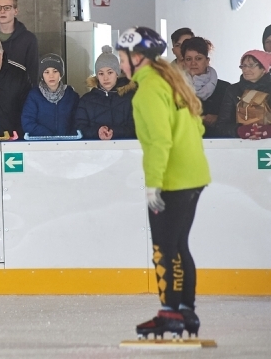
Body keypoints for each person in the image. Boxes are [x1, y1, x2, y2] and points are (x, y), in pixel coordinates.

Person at [116, 26, 210, 339]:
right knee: (180, 245)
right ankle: (186, 311)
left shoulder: (148, 90)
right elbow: (197, 129)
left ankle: (169, 313)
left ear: (138, 57)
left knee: (163, 248)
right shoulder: (172, 80)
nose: (120, 64)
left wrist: (153, 184)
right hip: (194, 176)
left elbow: (158, 141)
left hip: (172, 179)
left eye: (122, 56)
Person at [75, 46, 136, 140]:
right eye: (101, 73)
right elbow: (79, 129)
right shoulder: (86, 101)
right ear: (97, 76)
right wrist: (97, 132)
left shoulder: (130, 98)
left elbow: (136, 128)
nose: (105, 78)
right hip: (93, 152)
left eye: (110, 72)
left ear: (117, 73)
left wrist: (114, 132)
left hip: (125, 152)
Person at [0, 0, 39, 84]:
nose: (2, 11)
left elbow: (33, 74)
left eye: (7, 8)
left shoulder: (28, 39)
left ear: (15, 11)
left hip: (20, 95)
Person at [216, 50, 271, 138]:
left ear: (264, 69)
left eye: (251, 65)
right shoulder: (233, 90)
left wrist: (268, 130)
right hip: (239, 147)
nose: (246, 69)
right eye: (243, 66)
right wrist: (240, 131)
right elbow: (221, 125)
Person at [21, 53, 79, 137]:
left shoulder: (71, 96)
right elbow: (27, 123)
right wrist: (49, 136)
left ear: (61, 74)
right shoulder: (34, 95)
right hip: (41, 145)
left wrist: (68, 137)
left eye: (55, 71)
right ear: (42, 76)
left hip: (66, 144)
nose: (51, 75)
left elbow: (78, 121)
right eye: (46, 72)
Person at [180, 37, 228, 139]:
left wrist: (218, 119)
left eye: (198, 58)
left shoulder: (225, 88)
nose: (193, 63)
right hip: (185, 144)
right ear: (183, 62)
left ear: (207, 61)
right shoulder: (175, 89)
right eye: (189, 59)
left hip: (219, 147)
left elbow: (233, 122)